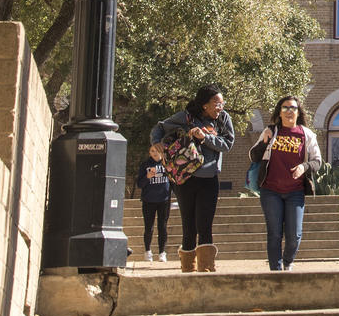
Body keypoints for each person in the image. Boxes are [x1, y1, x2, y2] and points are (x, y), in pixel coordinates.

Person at [151, 84, 233, 272]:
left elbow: (227, 144)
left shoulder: (223, 119)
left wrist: (205, 138)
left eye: (222, 103)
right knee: (188, 224)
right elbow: (160, 127)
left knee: (205, 224)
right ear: (204, 105)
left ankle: (206, 268)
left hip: (209, 176)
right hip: (184, 178)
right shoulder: (185, 117)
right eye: (216, 103)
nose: (220, 107)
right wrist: (157, 144)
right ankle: (188, 268)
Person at [251, 95, 323, 271]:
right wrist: (265, 141)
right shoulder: (271, 131)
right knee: (274, 233)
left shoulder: (306, 134)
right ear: (279, 112)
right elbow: (254, 156)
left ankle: (288, 261)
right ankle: (276, 271)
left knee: (294, 235)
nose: (289, 111)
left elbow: (317, 161)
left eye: (293, 108)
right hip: (270, 191)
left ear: (298, 112)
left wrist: (304, 167)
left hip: (295, 192)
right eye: (285, 108)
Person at [137, 143, 172, 263]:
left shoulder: (167, 163)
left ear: (161, 151)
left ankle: (162, 252)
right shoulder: (145, 165)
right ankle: (148, 251)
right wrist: (147, 176)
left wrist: (169, 171)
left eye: (156, 150)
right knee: (148, 227)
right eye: (152, 150)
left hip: (164, 200)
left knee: (162, 227)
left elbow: (174, 180)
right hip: (148, 200)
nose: (154, 153)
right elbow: (139, 184)